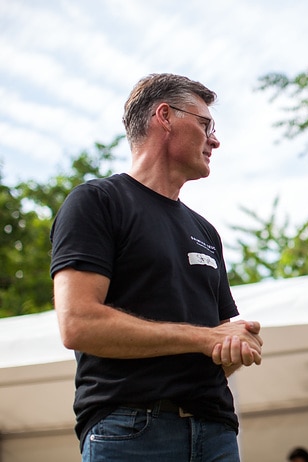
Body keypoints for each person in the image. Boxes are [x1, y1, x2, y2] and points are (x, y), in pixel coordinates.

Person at [50, 73, 263, 461]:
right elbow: (78, 323)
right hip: (131, 430)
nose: (215, 140)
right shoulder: (96, 202)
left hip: (216, 434)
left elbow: (217, 346)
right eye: (205, 124)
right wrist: (204, 338)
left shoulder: (205, 231)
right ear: (164, 116)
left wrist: (233, 344)